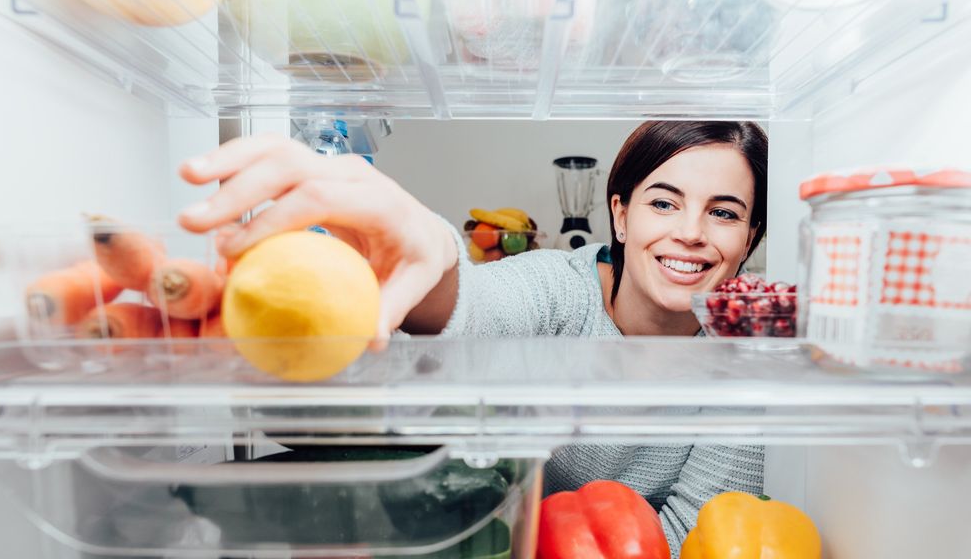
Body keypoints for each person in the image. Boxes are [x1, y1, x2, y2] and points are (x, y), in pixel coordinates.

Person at [178, 120, 768, 556]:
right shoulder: (560, 289)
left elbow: (702, 533)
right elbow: (475, 309)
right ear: (620, 214)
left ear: (750, 236)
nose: (690, 233)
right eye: (663, 203)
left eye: (723, 213)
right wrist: (432, 258)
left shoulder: (744, 355)